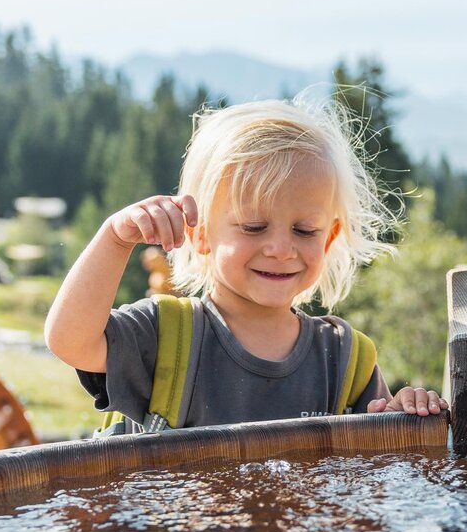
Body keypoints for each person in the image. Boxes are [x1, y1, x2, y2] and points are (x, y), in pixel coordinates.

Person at [44, 97, 444, 435]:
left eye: (305, 231)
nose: (281, 248)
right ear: (199, 233)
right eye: (254, 227)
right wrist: (115, 239)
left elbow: (375, 475)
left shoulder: (345, 359)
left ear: (330, 238)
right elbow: (70, 342)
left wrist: (405, 414)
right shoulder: (165, 336)